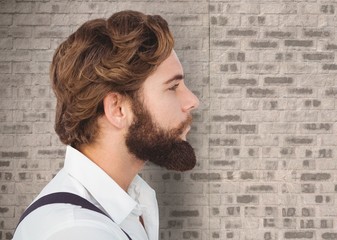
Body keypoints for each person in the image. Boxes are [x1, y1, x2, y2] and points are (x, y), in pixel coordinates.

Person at [13, 10, 199, 240]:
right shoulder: (75, 232)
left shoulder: (133, 200)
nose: (192, 101)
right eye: (173, 87)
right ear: (117, 109)